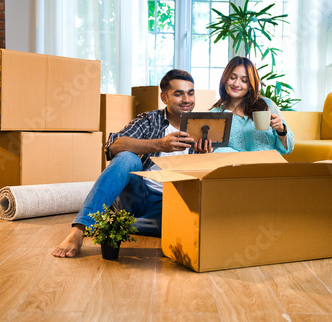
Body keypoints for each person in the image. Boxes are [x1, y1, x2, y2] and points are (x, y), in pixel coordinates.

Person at [52, 69, 212, 258]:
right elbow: (114, 144)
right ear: (164, 97)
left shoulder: (203, 128)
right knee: (127, 158)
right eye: (178, 93)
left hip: (169, 203)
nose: (186, 99)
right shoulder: (149, 120)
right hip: (137, 195)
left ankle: (117, 223)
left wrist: (204, 157)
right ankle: (79, 230)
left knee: (187, 221)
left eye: (190, 93)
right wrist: (160, 144)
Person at [210, 56, 294, 155]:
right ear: (225, 79)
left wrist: (281, 129)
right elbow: (215, 151)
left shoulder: (268, 105)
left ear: (250, 85)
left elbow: (287, 149)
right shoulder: (215, 115)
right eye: (232, 78)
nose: (236, 84)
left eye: (244, 80)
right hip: (238, 169)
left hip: (271, 167)